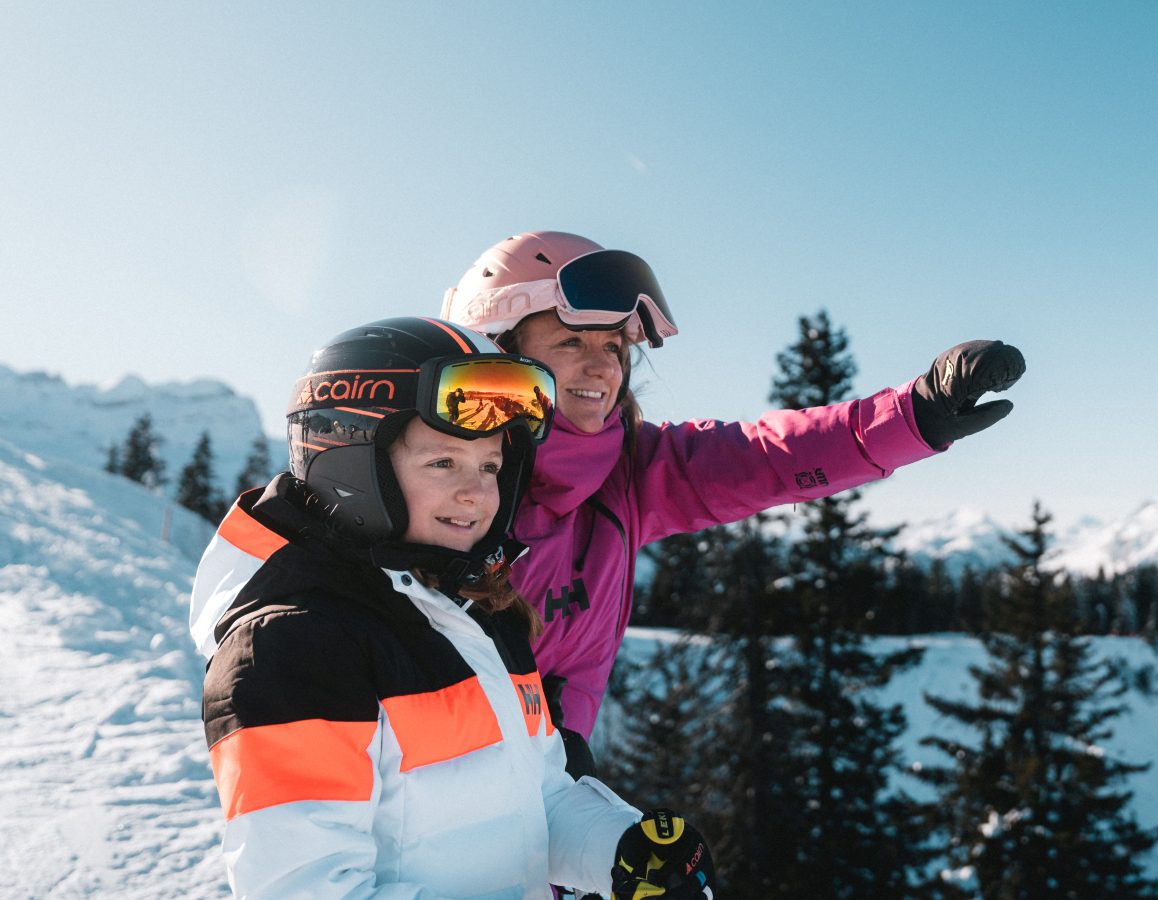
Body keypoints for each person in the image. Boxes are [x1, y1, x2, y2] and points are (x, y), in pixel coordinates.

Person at [440, 231, 1027, 761]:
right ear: (497, 352)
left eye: (615, 348)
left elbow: (762, 456)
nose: (602, 370)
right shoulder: (434, 487)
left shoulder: (626, 472)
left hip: (545, 800)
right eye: (571, 342)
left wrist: (914, 415)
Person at [188, 317, 715, 900]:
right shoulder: (295, 646)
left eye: (490, 466)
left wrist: (623, 854)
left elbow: (537, 795)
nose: (477, 493)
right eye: (443, 463)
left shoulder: (477, 610)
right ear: (352, 466)